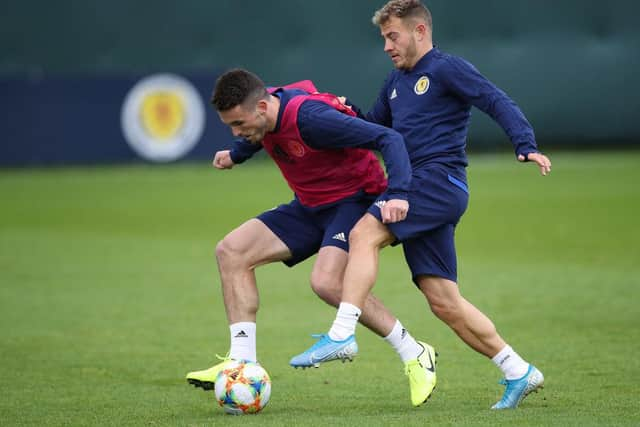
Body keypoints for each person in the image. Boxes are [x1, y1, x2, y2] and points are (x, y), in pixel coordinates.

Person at [290, 0, 552, 410]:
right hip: (418, 188)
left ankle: (342, 333)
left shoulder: (446, 68)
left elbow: (495, 99)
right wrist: (340, 111)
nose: (387, 47)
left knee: (363, 233)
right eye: (383, 39)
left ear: (419, 32)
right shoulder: (395, 81)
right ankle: (518, 370)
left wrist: (525, 144)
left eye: (392, 37)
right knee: (443, 300)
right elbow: (373, 127)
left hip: (436, 182)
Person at [185, 68, 438, 407]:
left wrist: (398, 193)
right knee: (231, 251)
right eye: (231, 126)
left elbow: (388, 139)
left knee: (326, 283)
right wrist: (236, 153)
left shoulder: (312, 120)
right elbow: (257, 134)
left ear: (262, 107)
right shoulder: (264, 108)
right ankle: (241, 361)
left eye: (238, 124)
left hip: (353, 200)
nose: (236, 131)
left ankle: (415, 352)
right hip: (309, 206)